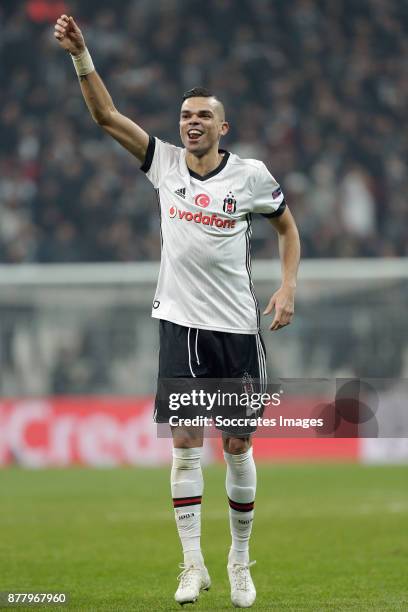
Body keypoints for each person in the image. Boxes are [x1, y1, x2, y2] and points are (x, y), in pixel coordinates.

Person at [54, 14, 300, 608]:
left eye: (203, 116)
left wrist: (288, 286)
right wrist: (81, 56)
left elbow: (288, 230)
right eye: (186, 115)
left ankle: (240, 561)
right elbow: (106, 116)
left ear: (223, 126)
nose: (192, 123)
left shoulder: (251, 177)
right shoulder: (162, 164)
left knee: (237, 446)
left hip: (238, 329)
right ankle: (194, 564)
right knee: (186, 442)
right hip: (180, 325)